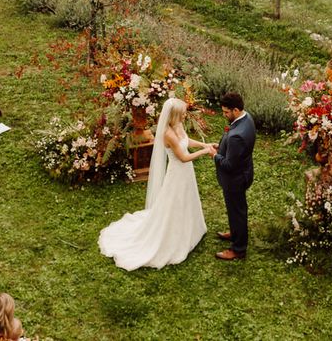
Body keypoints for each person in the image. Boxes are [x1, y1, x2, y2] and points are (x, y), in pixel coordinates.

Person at [98, 97, 212, 270]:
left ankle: (190, 230)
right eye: (181, 114)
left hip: (187, 172)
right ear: (173, 116)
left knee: (187, 200)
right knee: (174, 203)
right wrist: (205, 152)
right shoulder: (168, 134)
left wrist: (205, 144)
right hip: (177, 173)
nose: (184, 116)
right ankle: (172, 236)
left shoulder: (178, 126)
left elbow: (186, 141)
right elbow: (183, 157)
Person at [212, 92, 256, 261]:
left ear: (236, 110)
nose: (224, 115)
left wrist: (215, 155)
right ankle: (236, 232)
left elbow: (229, 165)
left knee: (237, 211)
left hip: (235, 180)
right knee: (237, 210)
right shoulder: (247, 118)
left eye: (226, 112)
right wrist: (222, 147)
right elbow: (236, 150)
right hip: (243, 172)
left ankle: (238, 249)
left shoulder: (237, 136)